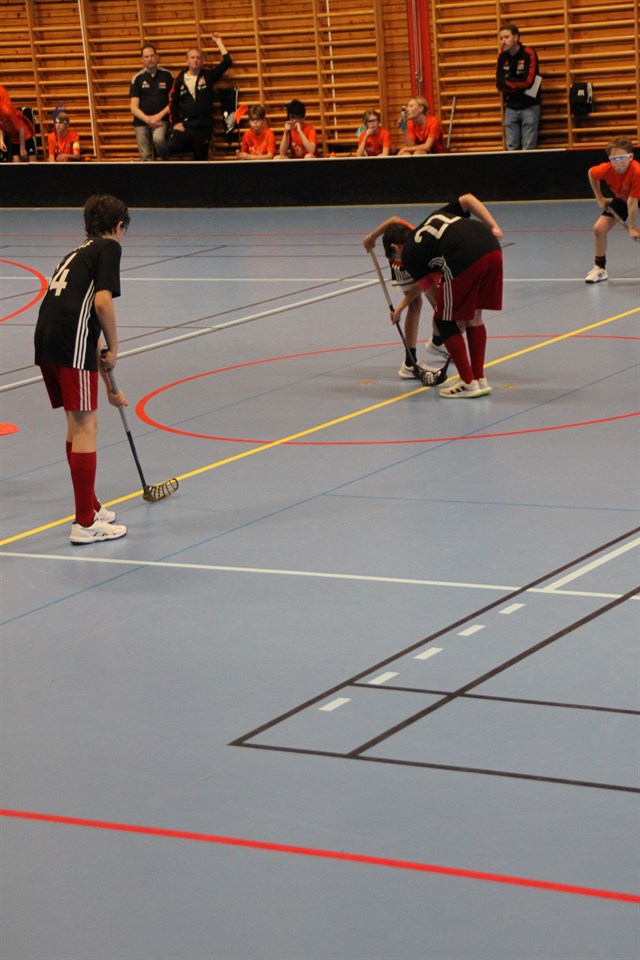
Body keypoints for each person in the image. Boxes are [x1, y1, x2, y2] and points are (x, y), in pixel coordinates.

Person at [34, 195, 130, 544]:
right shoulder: (108, 248)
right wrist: (116, 347)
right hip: (70, 341)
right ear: (119, 226)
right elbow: (102, 303)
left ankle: (90, 505)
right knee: (87, 426)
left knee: (76, 425)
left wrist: (107, 383)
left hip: (48, 339)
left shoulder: (76, 253)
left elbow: (84, 323)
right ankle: (85, 523)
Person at [367, 194, 503, 399]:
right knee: (474, 317)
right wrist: (494, 226)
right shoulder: (432, 219)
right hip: (492, 247)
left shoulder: (410, 256)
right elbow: (467, 198)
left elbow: (436, 297)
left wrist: (453, 318)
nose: (399, 262)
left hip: (465, 257)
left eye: (395, 258)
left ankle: (468, 382)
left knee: (444, 321)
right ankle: (479, 379)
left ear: (395, 248)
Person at [363, 216, 449, 380]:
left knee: (439, 303)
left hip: (419, 258)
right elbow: (393, 219)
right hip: (401, 262)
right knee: (415, 304)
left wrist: (400, 307)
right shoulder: (403, 252)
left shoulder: (423, 243)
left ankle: (437, 342)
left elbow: (425, 281)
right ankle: (410, 363)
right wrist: (372, 237)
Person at [168, 34, 232, 161]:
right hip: (186, 127)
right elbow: (172, 103)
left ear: (202, 61)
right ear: (187, 61)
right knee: (167, 147)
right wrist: (175, 123)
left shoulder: (208, 76)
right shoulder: (179, 80)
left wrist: (218, 42)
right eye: (192, 58)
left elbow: (227, 62)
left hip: (203, 127)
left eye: (198, 58)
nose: (195, 60)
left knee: (201, 160)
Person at [585, 136, 640, 282]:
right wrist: (599, 197)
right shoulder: (607, 169)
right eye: (614, 159)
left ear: (631, 157)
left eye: (622, 158)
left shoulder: (637, 172)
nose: (618, 162)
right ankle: (600, 268)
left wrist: (633, 227)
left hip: (635, 197)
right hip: (622, 198)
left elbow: (633, 202)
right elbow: (591, 173)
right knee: (599, 229)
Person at [496, 24, 541, 151]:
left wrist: (508, 82)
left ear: (516, 37)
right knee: (511, 147)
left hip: (530, 106)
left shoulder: (529, 53)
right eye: (501, 38)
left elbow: (528, 82)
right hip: (510, 107)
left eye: (506, 37)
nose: (503, 41)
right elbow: (499, 84)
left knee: (528, 148)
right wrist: (516, 84)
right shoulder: (502, 57)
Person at [129, 43, 173, 161]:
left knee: (159, 140)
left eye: (152, 56)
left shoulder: (167, 75)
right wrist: (148, 120)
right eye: (146, 57)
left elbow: (172, 102)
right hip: (142, 122)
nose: (150, 59)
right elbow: (133, 107)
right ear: (142, 59)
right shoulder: (137, 78)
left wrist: (157, 117)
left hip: (161, 120)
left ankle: (166, 162)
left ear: (157, 56)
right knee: (145, 156)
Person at [0, 84, 38, 162]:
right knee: (16, 163)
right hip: (13, 140)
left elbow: (21, 129)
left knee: (33, 164)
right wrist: (1, 141)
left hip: (26, 137)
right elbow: (2, 126)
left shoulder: (7, 111)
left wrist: (22, 148)